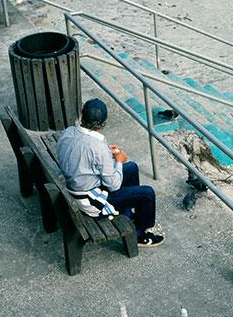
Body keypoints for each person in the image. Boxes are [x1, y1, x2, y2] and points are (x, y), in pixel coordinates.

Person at [57, 98, 164, 247]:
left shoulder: (68, 132)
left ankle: (125, 210)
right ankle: (139, 233)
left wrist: (106, 154)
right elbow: (114, 185)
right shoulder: (98, 147)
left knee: (132, 167)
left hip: (76, 185)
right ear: (103, 123)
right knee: (147, 194)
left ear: (82, 115)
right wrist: (118, 160)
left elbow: (80, 150)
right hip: (90, 201)